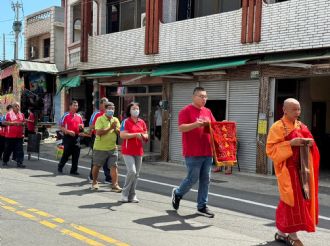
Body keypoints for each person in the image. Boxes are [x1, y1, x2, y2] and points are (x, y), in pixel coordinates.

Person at [266, 98, 320, 246]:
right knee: (291, 202)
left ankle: (282, 233)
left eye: (299, 109)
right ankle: (293, 236)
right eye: (294, 109)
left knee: (300, 201)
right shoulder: (278, 127)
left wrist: (308, 143)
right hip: (288, 171)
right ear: (285, 110)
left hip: (303, 170)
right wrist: (290, 143)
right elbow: (270, 150)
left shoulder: (301, 125)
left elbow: (312, 143)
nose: (298, 112)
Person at [171, 87, 216, 218]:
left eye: (205, 96)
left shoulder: (208, 111)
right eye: (201, 96)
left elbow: (213, 126)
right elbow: (181, 128)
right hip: (193, 152)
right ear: (194, 97)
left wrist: (221, 124)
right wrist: (195, 124)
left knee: (206, 179)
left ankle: (202, 206)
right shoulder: (185, 111)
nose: (204, 99)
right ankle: (178, 193)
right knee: (192, 178)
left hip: (207, 151)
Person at [120, 102, 148, 203]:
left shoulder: (142, 122)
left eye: (137, 108)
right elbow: (122, 135)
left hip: (138, 151)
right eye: (133, 108)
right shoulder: (125, 121)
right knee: (132, 171)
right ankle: (124, 193)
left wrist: (144, 136)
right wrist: (136, 134)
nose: (135, 110)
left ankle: (132, 195)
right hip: (128, 151)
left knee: (136, 175)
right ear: (129, 110)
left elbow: (146, 134)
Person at [91, 102, 122, 192]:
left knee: (114, 166)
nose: (111, 110)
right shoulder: (100, 119)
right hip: (100, 148)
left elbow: (120, 133)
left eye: (113, 109)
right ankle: (94, 182)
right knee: (97, 165)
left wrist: (116, 128)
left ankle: (115, 185)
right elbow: (98, 132)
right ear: (105, 109)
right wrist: (110, 128)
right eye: (109, 108)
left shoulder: (115, 119)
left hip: (112, 148)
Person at [88, 97, 112, 184]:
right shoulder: (96, 114)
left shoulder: (109, 114)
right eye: (105, 104)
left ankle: (108, 177)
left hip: (107, 138)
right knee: (96, 158)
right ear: (101, 105)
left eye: (108, 104)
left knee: (107, 158)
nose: (107, 106)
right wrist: (100, 127)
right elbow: (91, 126)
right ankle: (91, 176)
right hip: (97, 138)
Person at [58, 100, 84, 175]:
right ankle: (60, 166)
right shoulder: (65, 115)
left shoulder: (79, 116)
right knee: (66, 154)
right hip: (67, 137)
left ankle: (73, 170)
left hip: (77, 137)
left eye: (77, 106)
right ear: (70, 106)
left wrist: (81, 128)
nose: (76, 107)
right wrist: (68, 131)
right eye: (74, 105)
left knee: (76, 154)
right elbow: (60, 126)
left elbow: (82, 127)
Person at [2, 102, 26, 168]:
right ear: (13, 107)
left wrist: (23, 126)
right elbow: (3, 122)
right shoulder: (8, 114)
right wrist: (13, 123)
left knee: (20, 150)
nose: (17, 107)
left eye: (18, 106)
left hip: (19, 136)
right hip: (9, 136)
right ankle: (5, 161)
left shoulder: (22, 114)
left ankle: (19, 162)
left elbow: (24, 123)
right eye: (16, 106)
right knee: (7, 149)